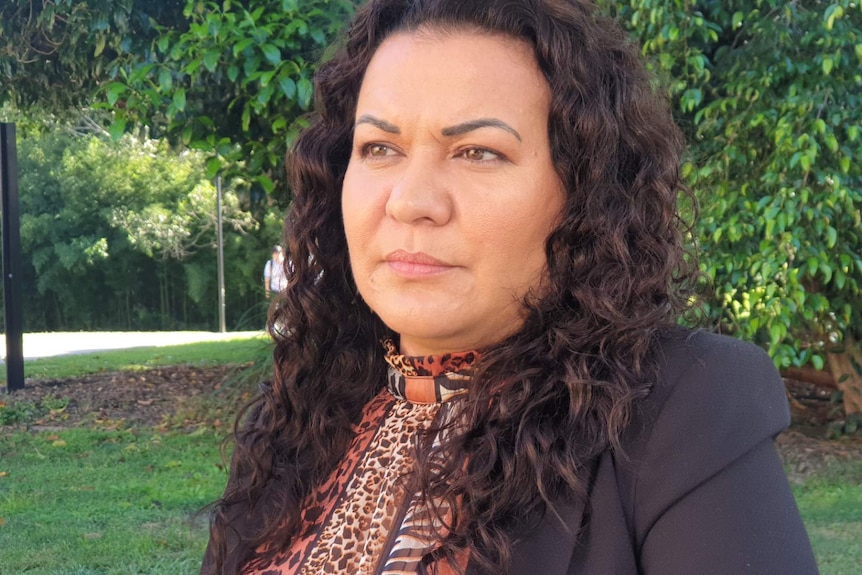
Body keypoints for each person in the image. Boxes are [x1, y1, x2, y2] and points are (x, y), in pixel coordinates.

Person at [202, 1, 819, 573]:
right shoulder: (300, 409)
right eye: (379, 147)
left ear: (584, 191)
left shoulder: (679, 407)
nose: (412, 201)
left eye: (478, 153)